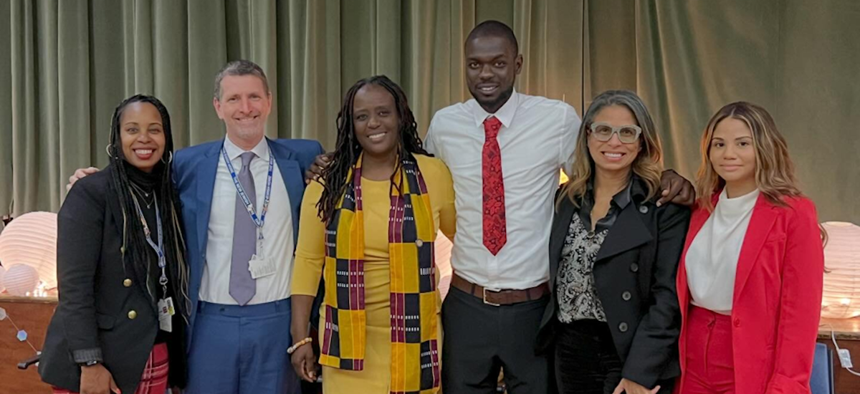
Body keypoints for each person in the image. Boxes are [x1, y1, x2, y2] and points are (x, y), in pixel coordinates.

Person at [306, 20, 695, 393]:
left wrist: (664, 177)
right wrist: (333, 162)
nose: (486, 74)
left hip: (534, 307)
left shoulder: (556, 120)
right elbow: (400, 166)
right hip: (465, 304)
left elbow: (603, 167)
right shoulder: (445, 125)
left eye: (498, 63)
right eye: (475, 65)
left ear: (518, 64)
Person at [67, 60, 324, 394]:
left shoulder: (303, 158)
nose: (245, 108)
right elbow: (140, 179)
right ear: (218, 107)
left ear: (269, 101)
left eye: (254, 97)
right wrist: (95, 180)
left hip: (278, 322)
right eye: (233, 99)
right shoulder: (188, 164)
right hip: (207, 324)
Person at [289, 75, 455, 393]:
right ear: (351, 125)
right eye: (362, 116)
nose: (373, 123)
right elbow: (308, 262)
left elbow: (466, 237)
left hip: (416, 341)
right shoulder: (327, 181)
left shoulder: (432, 175)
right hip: (348, 348)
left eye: (383, 112)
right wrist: (300, 338)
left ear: (400, 116)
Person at [535, 90, 689, 394]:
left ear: (642, 141)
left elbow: (667, 299)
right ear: (588, 136)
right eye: (603, 130)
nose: (614, 142)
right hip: (568, 353)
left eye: (627, 132)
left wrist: (639, 372)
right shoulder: (566, 200)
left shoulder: (662, 207)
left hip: (626, 356)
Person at [40, 95, 189, 394]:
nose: (144, 139)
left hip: (153, 348)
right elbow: (74, 287)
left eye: (154, 129)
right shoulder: (91, 193)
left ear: (167, 137)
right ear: (117, 137)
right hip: (100, 358)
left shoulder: (169, 194)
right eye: (132, 129)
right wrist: (89, 361)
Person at [676, 102, 824, 394]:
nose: (728, 153)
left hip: (751, 361)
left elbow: (800, 314)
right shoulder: (699, 210)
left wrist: (787, 383)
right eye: (719, 144)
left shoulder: (793, 213)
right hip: (690, 362)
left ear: (764, 148)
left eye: (742, 143)